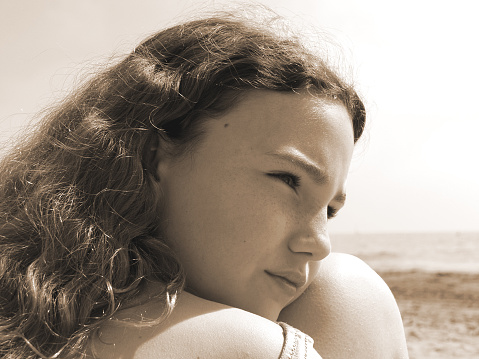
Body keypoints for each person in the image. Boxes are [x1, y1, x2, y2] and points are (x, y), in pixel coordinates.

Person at [0, 12, 408, 359]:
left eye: (330, 211)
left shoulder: (38, 308)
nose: (320, 244)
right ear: (152, 155)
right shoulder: (246, 346)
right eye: (288, 179)